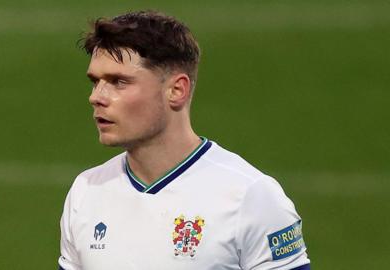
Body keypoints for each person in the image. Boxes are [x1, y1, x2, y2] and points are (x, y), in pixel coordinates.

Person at [58, 10, 310, 270]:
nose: (96, 97)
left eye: (119, 82)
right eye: (95, 81)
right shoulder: (86, 192)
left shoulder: (251, 197)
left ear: (176, 90)